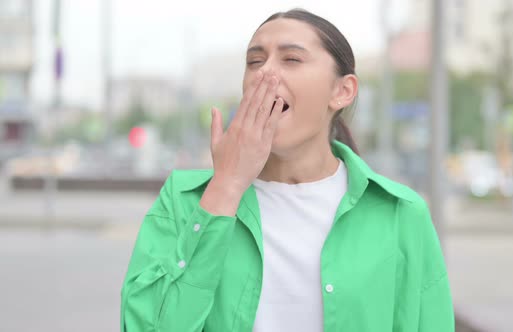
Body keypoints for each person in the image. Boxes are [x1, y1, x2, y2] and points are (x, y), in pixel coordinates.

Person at [120, 8, 454, 332]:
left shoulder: (401, 214)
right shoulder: (184, 200)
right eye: (254, 61)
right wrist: (227, 185)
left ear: (343, 91)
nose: (265, 72)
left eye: (291, 59)